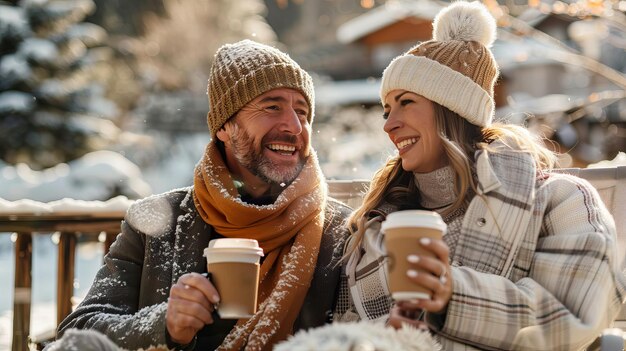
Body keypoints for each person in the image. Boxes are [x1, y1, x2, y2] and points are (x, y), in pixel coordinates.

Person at [333, 2, 626, 350]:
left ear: (452, 108)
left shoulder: (560, 200)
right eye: (387, 108)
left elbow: (575, 314)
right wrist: (384, 335)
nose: (388, 124)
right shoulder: (377, 222)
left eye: (406, 102)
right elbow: (342, 323)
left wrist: (452, 297)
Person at [55, 40, 351, 351]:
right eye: (272, 106)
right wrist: (165, 325)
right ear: (225, 126)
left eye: (302, 112)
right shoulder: (156, 223)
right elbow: (78, 332)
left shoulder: (341, 232)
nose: (294, 125)